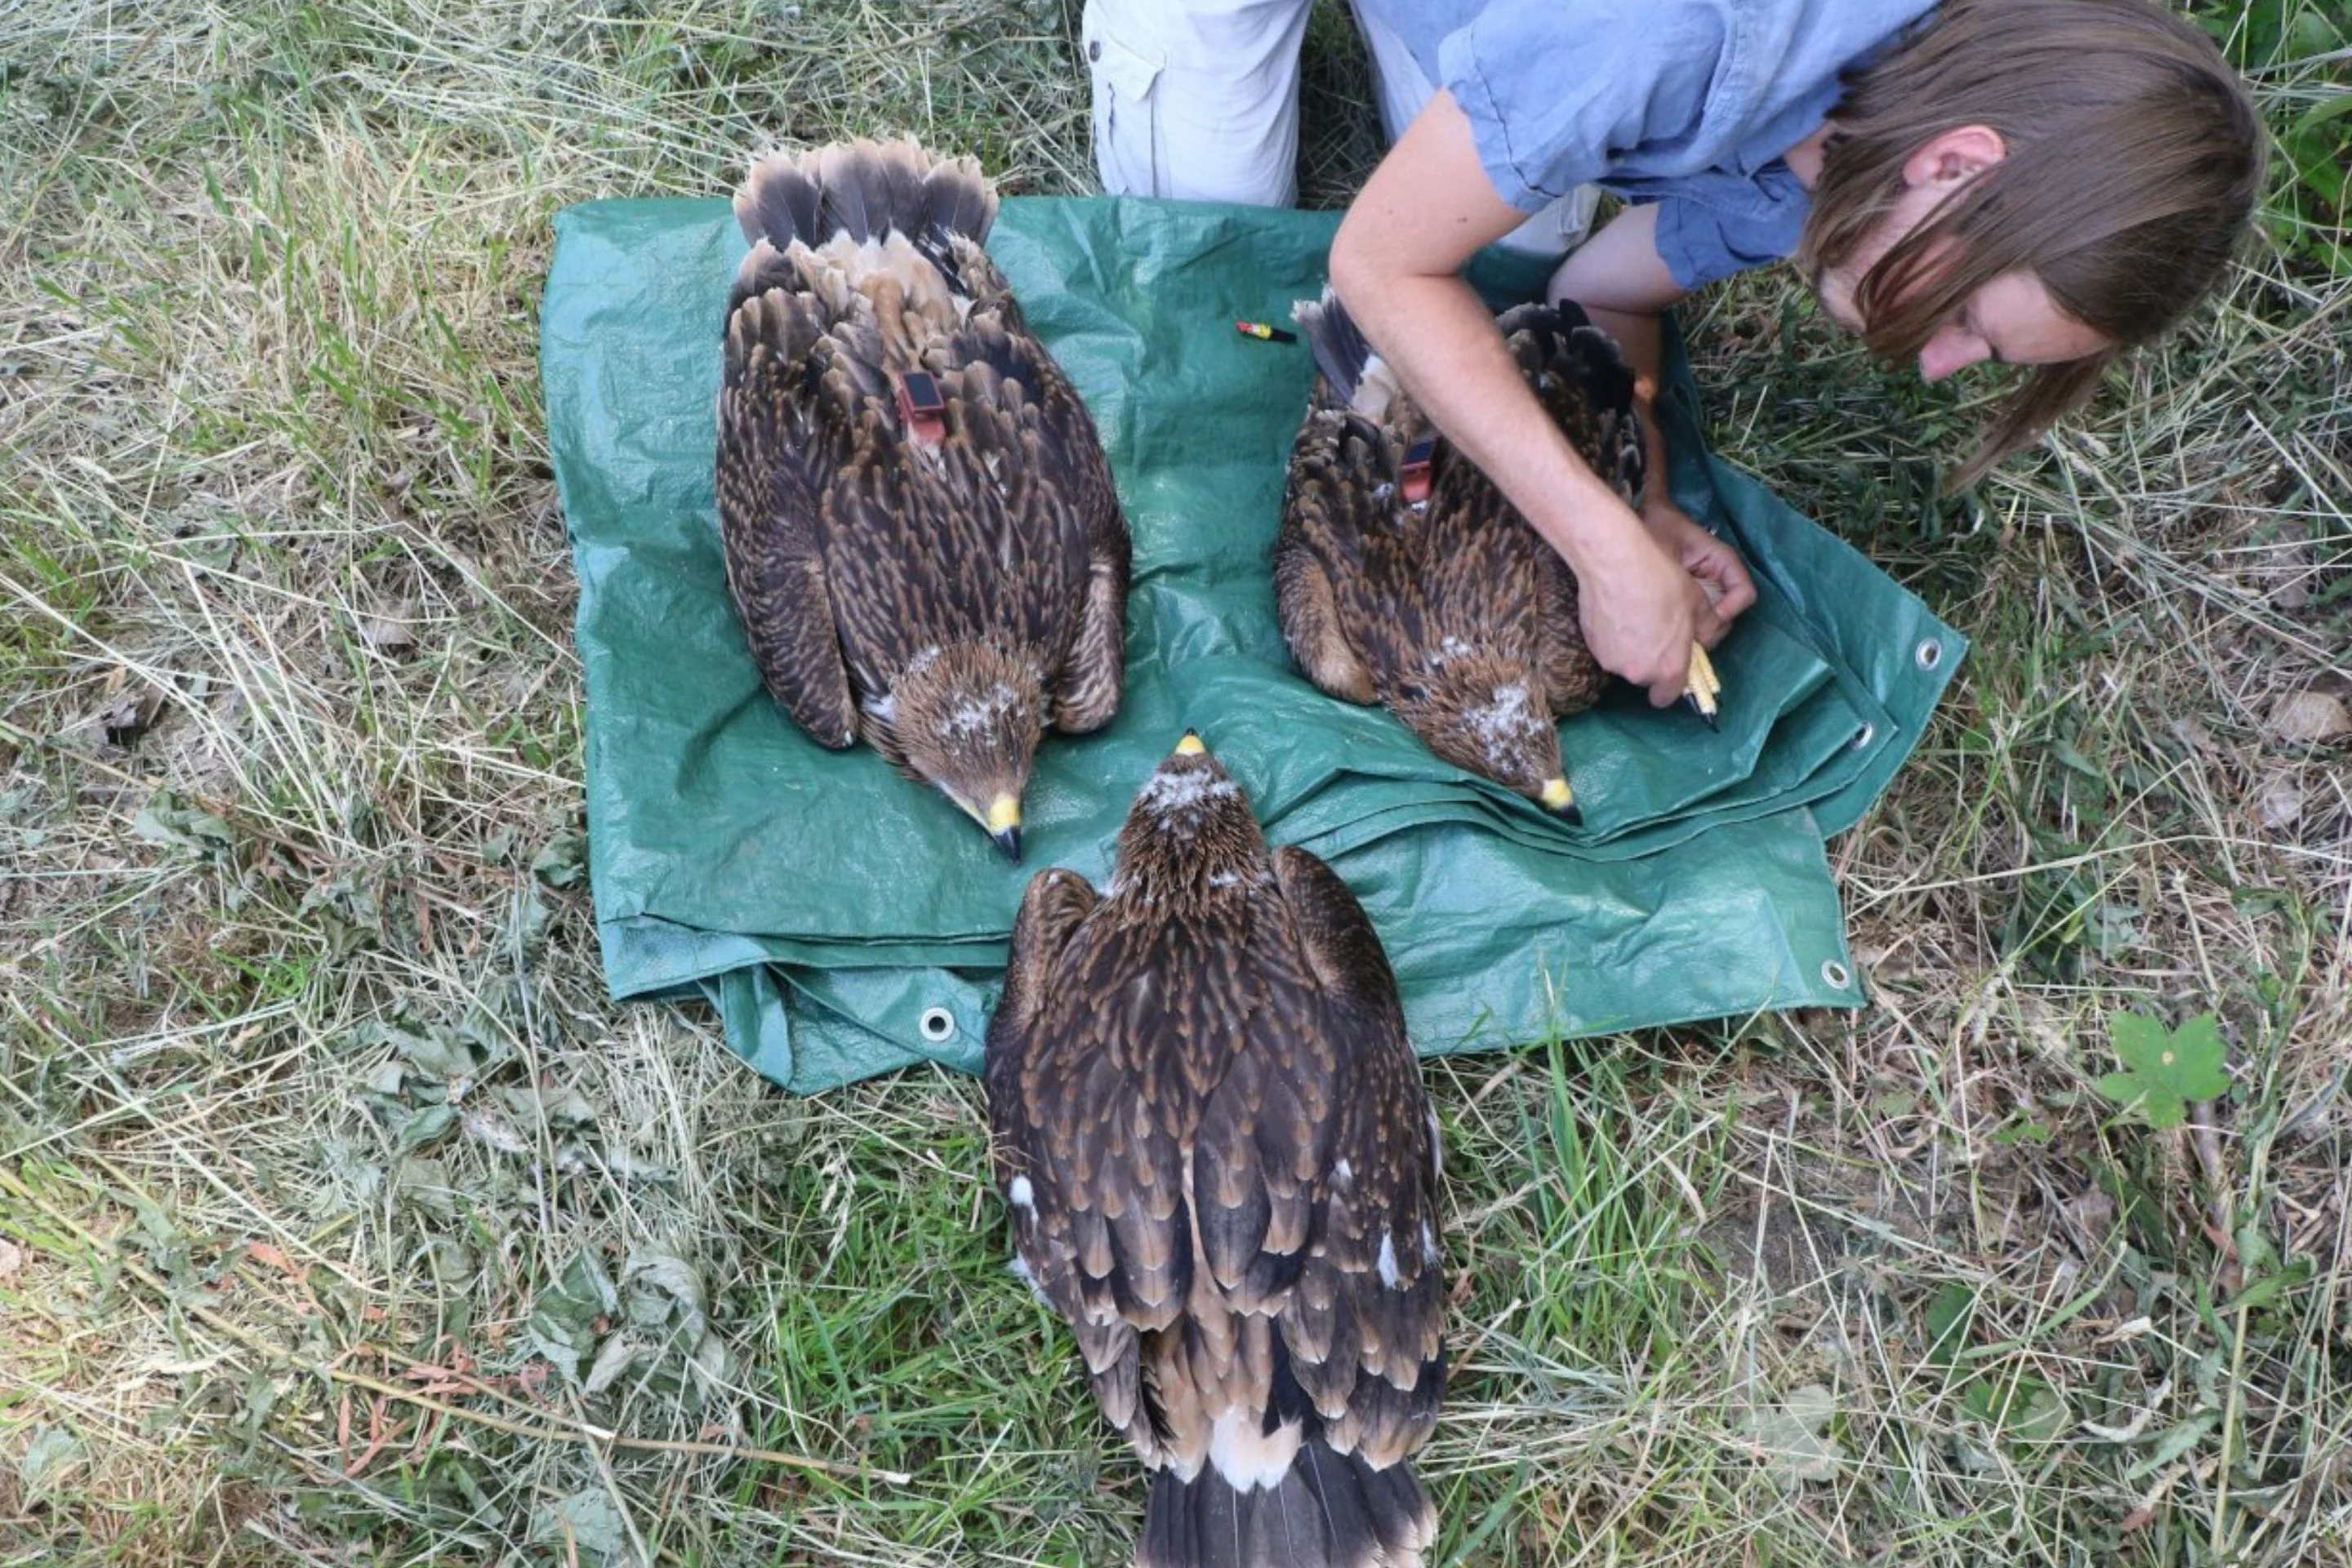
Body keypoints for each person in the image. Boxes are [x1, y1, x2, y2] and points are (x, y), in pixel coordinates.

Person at [1077, 0, 2263, 706]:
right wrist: (1592, 548)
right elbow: (1377, 269)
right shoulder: (1683, 29)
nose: (1939, 365)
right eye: (1970, 324)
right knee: (1208, 241)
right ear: (1954, 165)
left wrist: (1638, 496)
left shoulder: (1862, 146)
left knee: (1518, 255)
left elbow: (1599, 287)